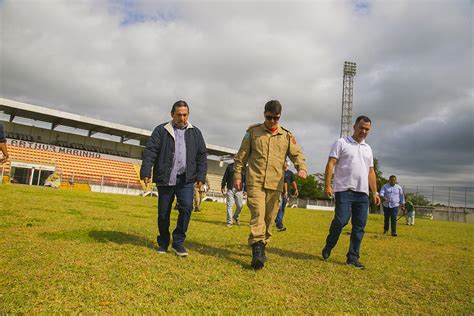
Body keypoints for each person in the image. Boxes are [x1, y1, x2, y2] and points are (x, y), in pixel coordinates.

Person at [234, 100, 307, 269]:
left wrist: (301, 168)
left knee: (269, 218)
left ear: (279, 117)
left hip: (276, 184)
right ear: (264, 114)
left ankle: (263, 243)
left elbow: (297, 154)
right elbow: (241, 155)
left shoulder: (287, 135)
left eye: (276, 118)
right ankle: (257, 249)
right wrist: (237, 176)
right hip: (255, 181)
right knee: (257, 214)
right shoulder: (253, 132)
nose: (273, 121)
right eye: (269, 117)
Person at [140, 100, 207, 257]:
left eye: (185, 115)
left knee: (186, 209)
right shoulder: (161, 130)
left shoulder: (195, 133)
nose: (182, 118)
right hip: (165, 178)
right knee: (163, 213)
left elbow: (202, 156)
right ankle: (163, 243)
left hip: (186, 179)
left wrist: (200, 176)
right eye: (179, 115)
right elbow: (150, 151)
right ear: (172, 114)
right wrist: (145, 171)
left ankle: (178, 243)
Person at [321, 116, 381, 270]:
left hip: (362, 193)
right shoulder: (342, 143)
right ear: (354, 126)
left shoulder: (368, 148)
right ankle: (329, 244)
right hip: (344, 190)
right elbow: (331, 163)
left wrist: (375, 192)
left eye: (367, 129)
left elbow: (371, 171)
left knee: (359, 226)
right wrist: (328, 185)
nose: (363, 131)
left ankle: (352, 258)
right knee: (341, 220)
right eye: (361, 127)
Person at [221, 157, 246, 227]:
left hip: (239, 190)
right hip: (230, 188)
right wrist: (223, 186)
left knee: (240, 206)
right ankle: (229, 222)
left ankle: (236, 216)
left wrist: (245, 190)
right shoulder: (230, 166)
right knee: (229, 205)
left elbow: (246, 179)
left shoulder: (243, 168)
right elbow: (225, 176)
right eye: (235, 158)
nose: (236, 159)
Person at [275, 161, 299, 232]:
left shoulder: (290, 173)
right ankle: (278, 223)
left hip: (286, 193)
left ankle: (278, 221)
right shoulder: (279, 171)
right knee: (279, 207)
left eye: (286, 163)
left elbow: (293, 182)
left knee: (282, 208)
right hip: (278, 192)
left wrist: (296, 189)